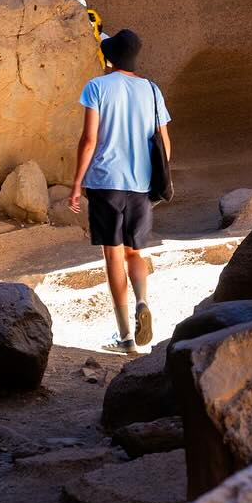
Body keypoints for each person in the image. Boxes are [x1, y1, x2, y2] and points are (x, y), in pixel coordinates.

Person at [69, 27, 171, 356]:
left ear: (110, 58)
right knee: (134, 254)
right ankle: (143, 301)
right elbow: (164, 142)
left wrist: (75, 183)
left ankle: (125, 336)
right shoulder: (152, 91)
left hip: (105, 182)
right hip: (140, 185)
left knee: (112, 255)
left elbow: (89, 140)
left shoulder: (96, 87)